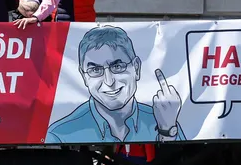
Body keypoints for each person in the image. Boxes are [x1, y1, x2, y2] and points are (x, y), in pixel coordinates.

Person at [47, 26, 185, 144]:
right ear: (84, 76)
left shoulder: (163, 119)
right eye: (95, 70)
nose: (109, 81)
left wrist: (167, 130)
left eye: (118, 66)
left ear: (136, 68)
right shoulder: (60, 135)